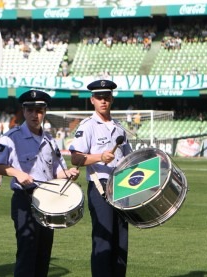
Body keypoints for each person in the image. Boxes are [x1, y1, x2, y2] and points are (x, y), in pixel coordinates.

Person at [0, 89, 80, 277]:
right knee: (27, 253)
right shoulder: (11, 137)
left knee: (43, 254)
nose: (35, 115)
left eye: (40, 110)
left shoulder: (50, 140)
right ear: (24, 111)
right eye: (30, 110)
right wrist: (15, 172)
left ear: (45, 111)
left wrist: (67, 173)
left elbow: (57, 171)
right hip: (25, 199)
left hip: (49, 201)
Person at [69, 80, 132, 277]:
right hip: (100, 186)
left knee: (121, 241)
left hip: (122, 187)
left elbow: (128, 159)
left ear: (111, 99)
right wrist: (100, 157)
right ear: (92, 100)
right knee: (103, 240)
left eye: (107, 97)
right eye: (99, 98)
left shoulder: (119, 128)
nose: (103, 101)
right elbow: (76, 158)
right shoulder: (87, 126)